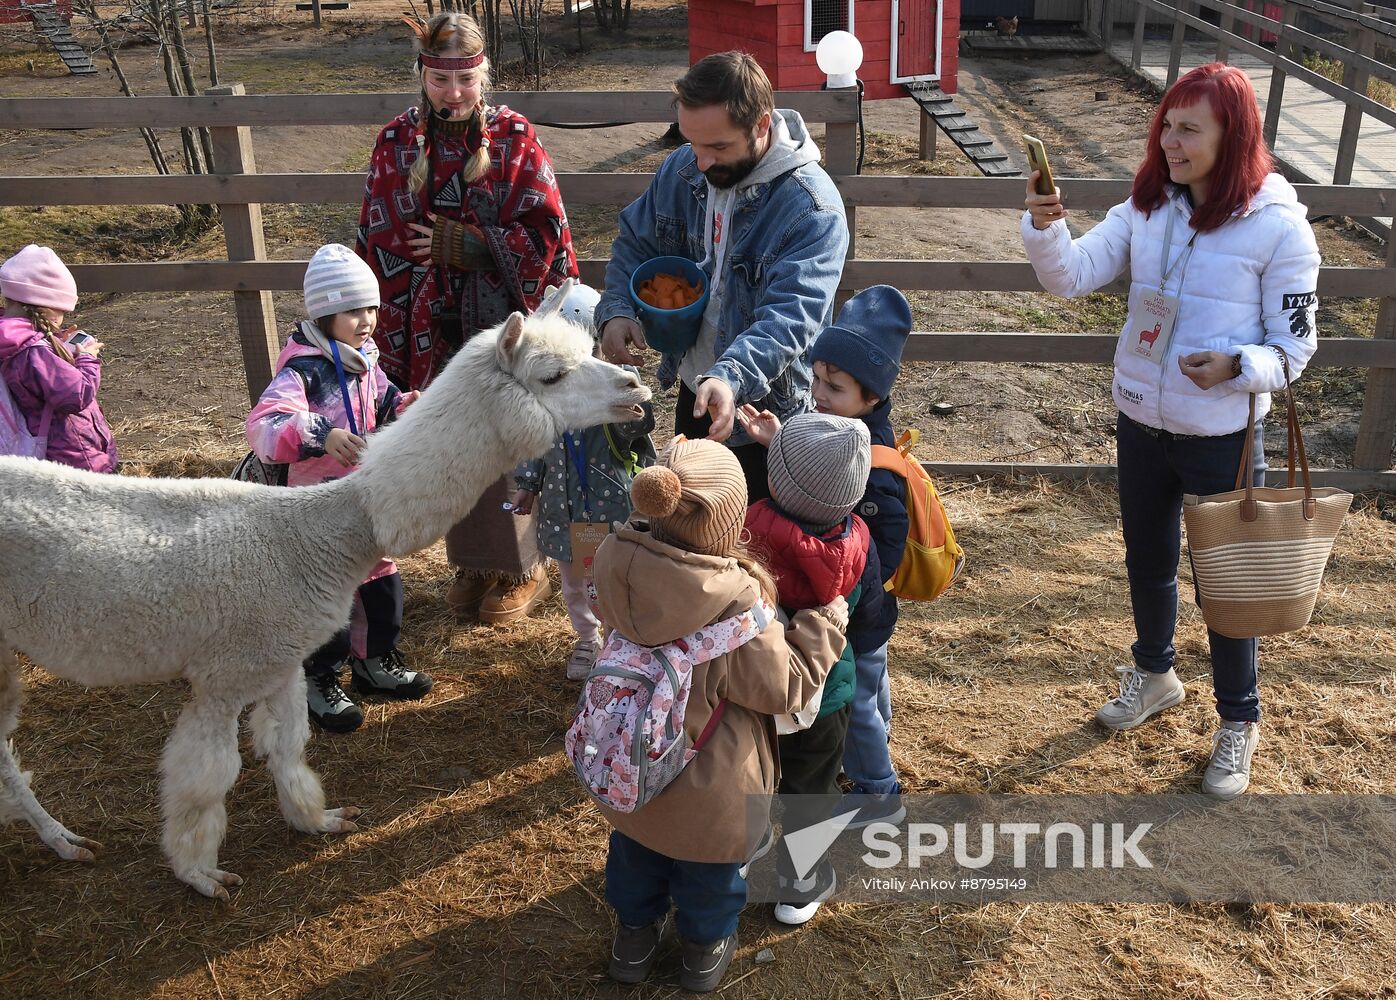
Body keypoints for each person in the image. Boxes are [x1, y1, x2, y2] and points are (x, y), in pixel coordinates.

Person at [1020, 63, 1320, 798]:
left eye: (1190, 128)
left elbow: (1297, 348)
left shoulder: (1280, 226)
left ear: (1233, 134)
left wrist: (1237, 366)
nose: (1170, 141)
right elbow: (1070, 277)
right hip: (1142, 420)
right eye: (1167, 125)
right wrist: (1044, 227)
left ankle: (1238, 721)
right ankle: (1154, 675)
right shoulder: (1148, 205)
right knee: (1147, 561)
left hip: (1221, 433)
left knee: (1227, 587)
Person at [591, 437, 846, 992]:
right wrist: (826, 623)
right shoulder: (734, 615)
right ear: (725, 528)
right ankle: (703, 955)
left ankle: (632, 941)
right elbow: (789, 685)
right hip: (713, 785)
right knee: (710, 879)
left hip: (628, 771)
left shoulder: (616, 567)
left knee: (636, 860)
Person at [357, 11, 577, 627]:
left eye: (467, 80)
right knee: (456, 440)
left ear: (485, 76)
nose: (454, 94)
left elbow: (550, 236)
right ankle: (473, 563)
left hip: (502, 317)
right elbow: (378, 232)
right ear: (422, 75)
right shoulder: (396, 141)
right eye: (440, 80)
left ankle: (522, 566)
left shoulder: (514, 137)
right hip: (425, 321)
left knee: (511, 435)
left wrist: (478, 247)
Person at [595, 51, 849, 503]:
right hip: (697, 389)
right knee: (689, 535)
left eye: (718, 147)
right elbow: (637, 239)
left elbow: (790, 319)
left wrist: (730, 376)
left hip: (765, 415)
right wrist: (616, 308)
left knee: (757, 549)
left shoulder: (813, 210)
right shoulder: (684, 167)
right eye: (692, 142)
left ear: (761, 125)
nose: (702, 161)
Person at [736, 284, 913, 827]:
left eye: (833, 387)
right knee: (871, 689)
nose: (817, 393)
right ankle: (873, 746)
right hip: (863, 611)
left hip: (856, 610)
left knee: (856, 698)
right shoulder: (842, 432)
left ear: (873, 398)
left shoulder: (875, 466)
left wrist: (851, 590)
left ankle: (879, 790)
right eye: (814, 379)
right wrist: (781, 439)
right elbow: (821, 473)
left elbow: (875, 540)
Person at [246, 244, 432, 733]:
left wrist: (408, 407)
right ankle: (318, 679)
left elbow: (384, 402)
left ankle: (375, 661)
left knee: (380, 586)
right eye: (353, 310)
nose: (367, 319)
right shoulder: (302, 369)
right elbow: (265, 427)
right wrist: (318, 434)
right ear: (325, 312)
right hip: (317, 513)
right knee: (327, 600)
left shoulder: (364, 360)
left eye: (371, 307)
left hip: (366, 501)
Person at [741, 413, 883, 926]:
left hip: (757, 687)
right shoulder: (857, 547)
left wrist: (772, 449)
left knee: (753, 773)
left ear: (772, 480)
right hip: (826, 693)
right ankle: (799, 887)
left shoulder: (747, 528)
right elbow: (867, 620)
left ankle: (745, 852)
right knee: (813, 787)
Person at [508, 283, 656, 680]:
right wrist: (527, 484)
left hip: (613, 509)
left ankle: (621, 640)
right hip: (563, 510)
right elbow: (535, 444)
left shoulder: (612, 383)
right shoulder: (545, 391)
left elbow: (640, 431)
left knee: (617, 578)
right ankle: (588, 639)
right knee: (575, 585)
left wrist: (631, 403)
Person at [0, 244, 117, 472]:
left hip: (39, 444)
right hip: (70, 455)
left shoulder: (15, 340)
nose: (63, 318)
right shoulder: (34, 352)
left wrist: (56, 346)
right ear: (48, 307)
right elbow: (76, 395)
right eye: (62, 312)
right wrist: (86, 358)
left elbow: (37, 378)